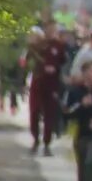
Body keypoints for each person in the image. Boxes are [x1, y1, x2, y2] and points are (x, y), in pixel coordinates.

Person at [25, 26, 67, 156]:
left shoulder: (58, 46)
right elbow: (27, 63)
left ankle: (47, 142)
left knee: (49, 114)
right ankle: (35, 139)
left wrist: (57, 72)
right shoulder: (34, 48)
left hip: (52, 84)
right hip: (37, 83)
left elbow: (63, 62)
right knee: (34, 111)